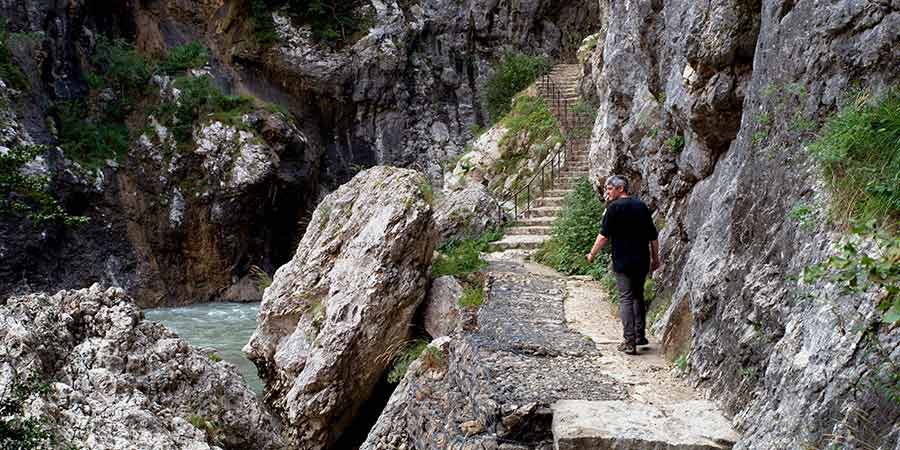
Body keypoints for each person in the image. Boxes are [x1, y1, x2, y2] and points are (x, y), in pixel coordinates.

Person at [585, 175, 659, 355]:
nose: (607, 192)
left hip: (622, 261)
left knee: (626, 297)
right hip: (641, 259)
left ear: (621, 189)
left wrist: (592, 254)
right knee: (638, 296)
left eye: (610, 189)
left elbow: (603, 236)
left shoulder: (613, 209)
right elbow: (653, 236)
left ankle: (629, 341)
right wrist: (655, 258)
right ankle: (640, 335)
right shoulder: (641, 206)